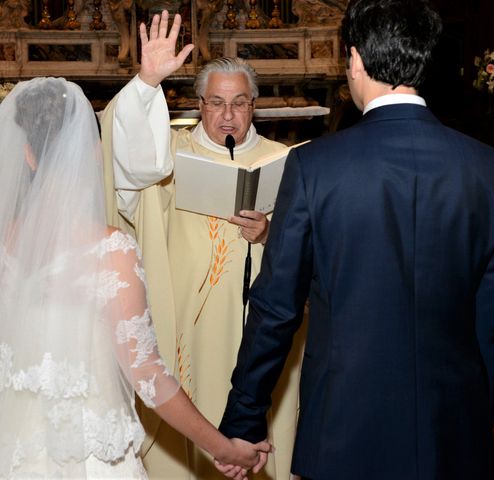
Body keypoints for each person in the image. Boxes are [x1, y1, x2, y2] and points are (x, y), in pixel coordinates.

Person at [218, 0, 494, 479]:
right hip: (454, 437)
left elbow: (276, 307)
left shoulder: (315, 166)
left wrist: (244, 418)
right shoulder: (490, 169)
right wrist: (469, 418)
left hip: (343, 431)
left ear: (356, 60)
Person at [0, 77, 270, 479]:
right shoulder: (109, 250)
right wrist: (224, 447)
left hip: (4, 447)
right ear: (92, 150)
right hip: (89, 452)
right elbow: (148, 377)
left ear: (28, 155)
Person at [100, 10, 306, 479]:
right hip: (187, 331)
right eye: (215, 103)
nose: (228, 115)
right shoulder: (165, 157)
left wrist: (271, 235)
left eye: (239, 103)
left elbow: (320, 254)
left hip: (266, 332)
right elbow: (125, 159)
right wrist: (147, 83)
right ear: (198, 104)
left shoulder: (288, 161)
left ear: (255, 105)